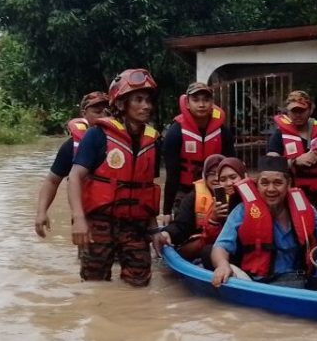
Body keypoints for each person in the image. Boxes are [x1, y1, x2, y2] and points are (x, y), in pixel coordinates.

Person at [67, 69, 162, 285]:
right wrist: (79, 219)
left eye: (148, 100)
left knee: (139, 284)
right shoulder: (97, 135)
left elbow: (147, 190)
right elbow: (74, 177)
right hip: (100, 223)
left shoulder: (153, 141)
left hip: (135, 225)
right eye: (138, 99)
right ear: (120, 104)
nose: (146, 106)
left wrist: (154, 230)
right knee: (95, 285)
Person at [211, 155, 317, 288]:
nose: (271, 189)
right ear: (257, 185)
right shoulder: (242, 210)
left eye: (278, 183)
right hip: (258, 283)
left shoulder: (305, 208)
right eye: (264, 183)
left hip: (298, 280)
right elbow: (220, 247)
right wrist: (222, 266)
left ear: (288, 184)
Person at [34, 91, 110, 237]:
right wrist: (41, 212)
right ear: (84, 114)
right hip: (90, 219)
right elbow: (52, 180)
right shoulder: (73, 146)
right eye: (97, 111)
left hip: (126, 222)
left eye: (108, 111)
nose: (103, 116)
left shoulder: (128, 141)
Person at [162, 82, 236, 222]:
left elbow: (232, 166)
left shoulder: (223, 132)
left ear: (212, 103)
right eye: (196, 100)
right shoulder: (175, 132)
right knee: (183, 227)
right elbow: (172, 174)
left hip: (216, 190)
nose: (201, 104)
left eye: (206, 100)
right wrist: (166, 210)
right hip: (185, 190)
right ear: (187, 104)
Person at [154, 155, 246, 262]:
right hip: (206, 244)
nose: (216, 179)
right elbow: (181, 225)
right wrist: (168, 233)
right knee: (207, 250)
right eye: (212, 174)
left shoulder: (246, 197)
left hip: (234, 246)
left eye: (233, 177)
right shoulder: (192, 198)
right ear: (204, 176)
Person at [265, 90, 317, 212]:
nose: (297, 115)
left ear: (310, 110)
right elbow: (269, 164)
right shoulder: (279, 135)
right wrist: (295, 162)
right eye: (294, 111)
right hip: (290, 193)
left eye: (301, 111)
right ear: (288, 111)